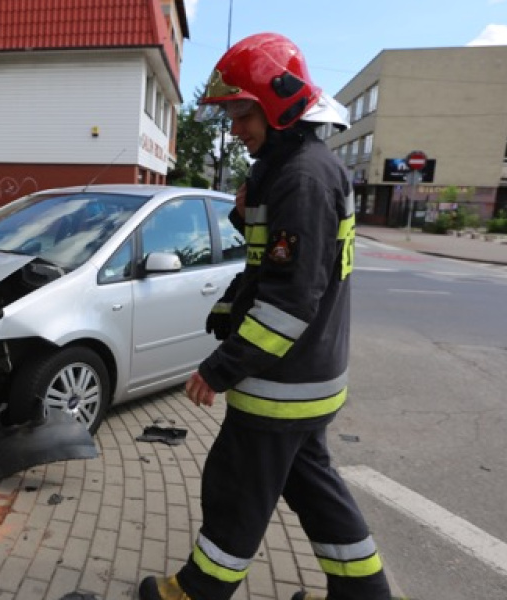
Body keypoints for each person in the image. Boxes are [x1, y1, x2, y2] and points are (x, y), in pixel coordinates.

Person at [140, 33, 396, 600]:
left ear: (279, 104)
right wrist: (233, 289)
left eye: (243, 113)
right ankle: (366, 594)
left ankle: (199, 591)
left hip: (283, 382)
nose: (235, 129)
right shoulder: (295, 169)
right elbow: (275, 263)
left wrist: (222, 367)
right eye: (231, 116)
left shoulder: (301, 179)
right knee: (315, 491)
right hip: (308, 374)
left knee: (237, 486)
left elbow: (290, 300)